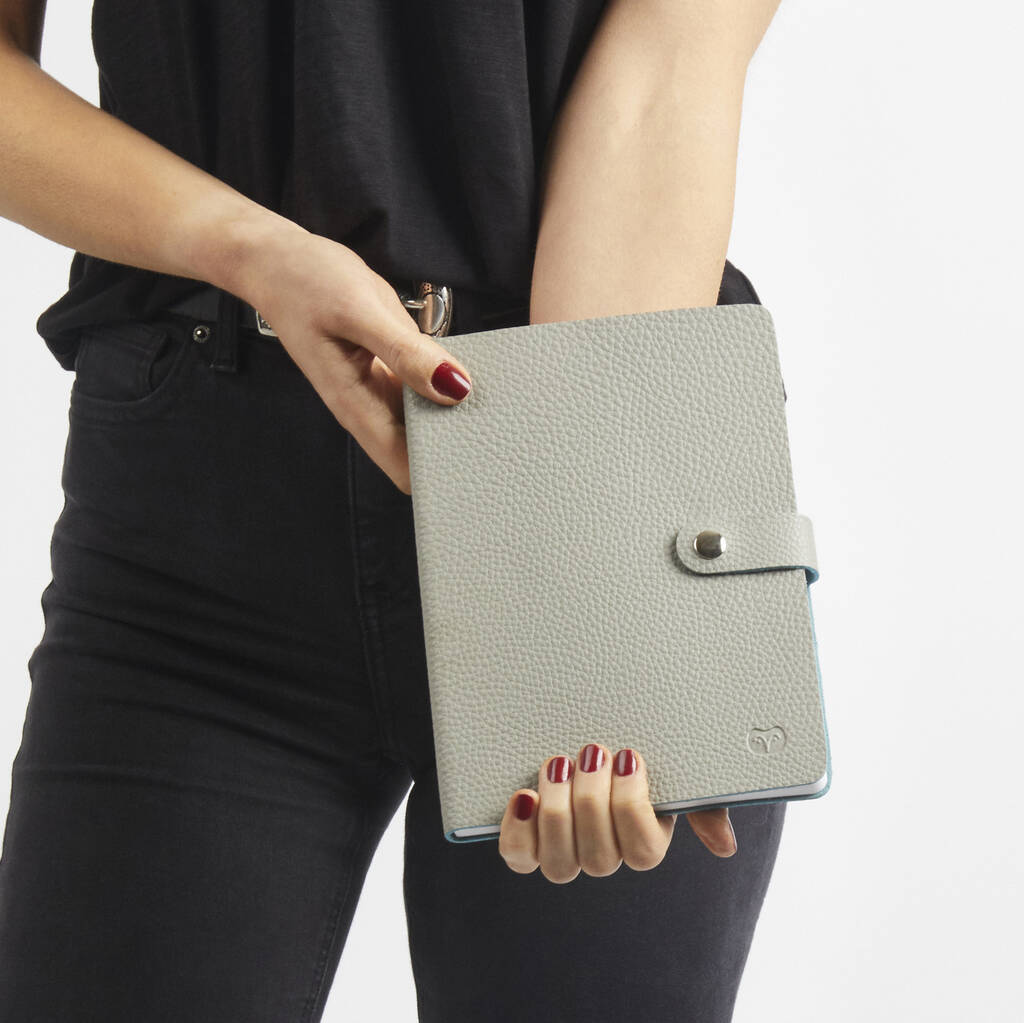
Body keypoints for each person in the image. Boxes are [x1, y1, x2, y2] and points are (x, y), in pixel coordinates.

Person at [0, 1, 786, 1019]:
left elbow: (663, 74)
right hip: (199, 529)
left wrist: (587, 581)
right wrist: (246, 248)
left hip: (609, 444)